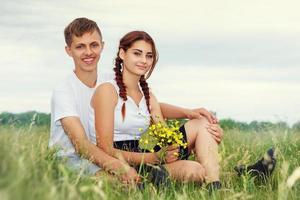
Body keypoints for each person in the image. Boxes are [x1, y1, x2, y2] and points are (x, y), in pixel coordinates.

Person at [49, 18, 224, 184]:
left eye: (94, 45)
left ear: (102, 46)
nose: (88, 52)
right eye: (80, 47)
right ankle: (148, 178)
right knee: (119, 184)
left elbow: (144, 107)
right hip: (78, 157)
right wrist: (125, 166)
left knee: (203, 125)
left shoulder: (111, 78)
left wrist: (188, 113)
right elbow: (82, 145)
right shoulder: (67, 90)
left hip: (125, 152)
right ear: (68, 50)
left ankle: (214, 185)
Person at [91, 31, 222, 189]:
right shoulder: (107, 90)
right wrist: (151, 158)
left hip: (144, 155)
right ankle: (141, 179)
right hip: (118, 159)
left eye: (149, 56)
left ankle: (215, 187)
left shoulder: (147, 95)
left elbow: (164, 135)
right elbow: (105, 148)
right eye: (137, 54)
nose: (144, 61)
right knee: (192, 170)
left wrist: (203, 139)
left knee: (198, 161)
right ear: (122, 53)